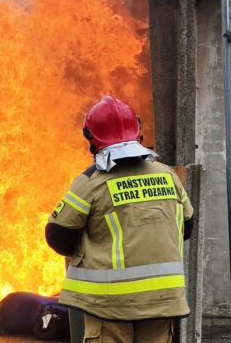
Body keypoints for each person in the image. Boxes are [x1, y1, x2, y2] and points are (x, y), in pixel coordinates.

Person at [45, 96, 195, 342]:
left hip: (109, 305)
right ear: (138, 133)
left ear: (92, 141)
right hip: (164, 301)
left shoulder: (91, 181)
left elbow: (58, 237)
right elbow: (187, 227)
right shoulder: (168, 174)